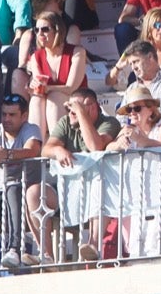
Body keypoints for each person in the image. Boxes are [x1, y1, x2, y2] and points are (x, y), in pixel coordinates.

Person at [40, 88, 121, 262]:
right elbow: (46, 149)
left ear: (92, 107)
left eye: (74, 110)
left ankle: (93, 245)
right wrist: (58, 149)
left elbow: (95, 146)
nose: (70, 114)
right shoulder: (66, 122)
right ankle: (45, 255)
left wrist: (82, 114)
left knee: (100, 183)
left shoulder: (109, 123)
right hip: (67, 192)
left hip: (98, 189)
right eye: (69, 110)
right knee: (34, 194)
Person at [0, 94, 45, 268]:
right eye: (4, 114)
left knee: (13, 188)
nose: (6, 119)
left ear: (24, 116)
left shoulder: (30, 128)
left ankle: (14, 249)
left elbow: (32, 150)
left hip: (26, 195)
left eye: (12, 115)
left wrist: (7, 154)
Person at [26, 11, 88, 139]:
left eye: (45, 29)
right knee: (36, 100)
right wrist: (33, 88)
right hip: (50, 104)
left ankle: (57, 144)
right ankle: (37, 147)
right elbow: (40, 89)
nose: (40, 34)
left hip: (78, 102)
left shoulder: (77, 52)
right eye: (36, 30)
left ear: (57, 31)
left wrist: (48, 88)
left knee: (54, 97)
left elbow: (71, 88)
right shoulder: (36, 57)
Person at [114, 40, 161, 123]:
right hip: (136, 134)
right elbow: (121, 120)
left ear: (150, 57)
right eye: (131, 64)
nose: (133, 67)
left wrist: (156, 129)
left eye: (136, 61)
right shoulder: (132, 88)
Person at [106, 84, 161, 152]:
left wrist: (138, 138)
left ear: (150, 110)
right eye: (129, 109)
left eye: (137, 108)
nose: (132, 113)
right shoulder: (128, 129)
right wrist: (118, 144)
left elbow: (160, 147)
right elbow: (108, 148)